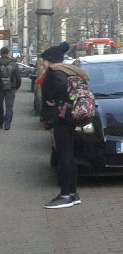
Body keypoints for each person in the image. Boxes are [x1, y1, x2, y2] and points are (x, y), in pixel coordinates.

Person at [38, 41, 87, 209]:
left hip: (61, 119)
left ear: (49, 59)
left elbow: (56, 92)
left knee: (64, 156)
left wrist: (54, 102)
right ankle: (72, 193)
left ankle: (65, 194)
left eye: (44, 60)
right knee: (69, 155)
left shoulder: (54, 73)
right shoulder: (69, 70)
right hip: (69, 117)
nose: (42, 63)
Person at [0, 46, 22, 130]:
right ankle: (7, 124)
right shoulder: (13, 64)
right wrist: (17, 87)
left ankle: (0, 123)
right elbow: (18, 77)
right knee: (9, 107)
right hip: (11, 88)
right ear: (8, 53)